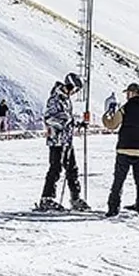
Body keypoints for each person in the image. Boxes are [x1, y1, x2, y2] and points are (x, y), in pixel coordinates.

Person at [102, 83, 139, 217]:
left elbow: (112, 125)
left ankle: (113, 208)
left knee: (118, 180)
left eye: (127, 93)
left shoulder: (125, 108)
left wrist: (106, 116)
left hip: (124, 149)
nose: (126, 95)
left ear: (132, 93)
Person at [38, 73, 90, 212]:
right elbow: (49, 118)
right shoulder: (55, 99)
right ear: (70, 86)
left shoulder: (66, 99)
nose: (75, 92)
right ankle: (46, 198)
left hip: (67, 140)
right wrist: (67, 121)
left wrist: (79, 124)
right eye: (75, 89)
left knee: (72, 168)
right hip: (57, 140)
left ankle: (75, 197)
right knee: (56, 168)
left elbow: (67, 120)